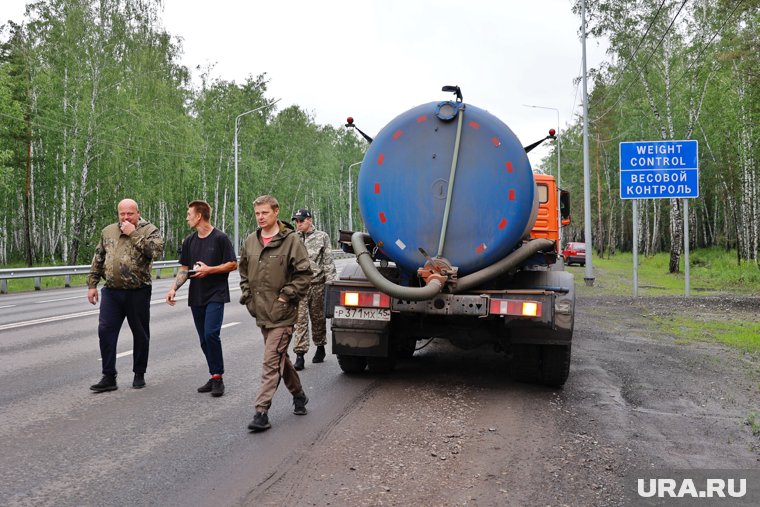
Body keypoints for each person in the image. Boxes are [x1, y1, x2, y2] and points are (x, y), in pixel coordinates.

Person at [239, 195, 312, 432]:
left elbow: (304, 275)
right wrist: (247, 296)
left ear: (276, 212)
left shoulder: (290, 240)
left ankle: (261, 412)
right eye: (257, 213)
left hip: (282, 314)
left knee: (271, 361)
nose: (260, 217)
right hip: (261, 312)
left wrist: (285, 296)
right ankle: (299, 396)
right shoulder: (251, 240)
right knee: (281, 358)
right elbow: (243, 271)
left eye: (265, 213)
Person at [87, 198, 165, 392]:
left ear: (138, 213)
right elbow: (99, 258)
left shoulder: (149, 231)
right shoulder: (108, 231)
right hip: (112, 292)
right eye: (122, 213)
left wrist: (134, 234)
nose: (126, 217)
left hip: (138, 291)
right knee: (105, 330)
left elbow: (155, 252)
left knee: (140, 333)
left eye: (130, 213)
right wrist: (92, 284)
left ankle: (139, 373)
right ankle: (108, 376)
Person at [165, 200, 237, 397]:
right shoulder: (189, 241)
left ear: (199, 216)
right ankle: (214, 374)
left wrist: (210, 270)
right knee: (203, 340)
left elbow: (232, 264)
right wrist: (173, 289)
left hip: (216, 294)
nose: (187, 217)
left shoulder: (220, 238)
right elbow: (184, 270)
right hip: (196, 295)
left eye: (189, 214)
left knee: (211, 334)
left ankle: (218, 378)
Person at [291, 208, 337, 370]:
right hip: (299, 286)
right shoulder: (293, 238)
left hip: (317, 284)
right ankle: (300, 354)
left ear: (309, 220)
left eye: (301, 221)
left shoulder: (322, 237)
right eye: (296, 221)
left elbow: (328, 262)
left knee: (317, 319)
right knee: (300, 320)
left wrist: (331, 284)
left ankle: (320, 346)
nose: (298, 224)